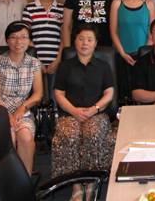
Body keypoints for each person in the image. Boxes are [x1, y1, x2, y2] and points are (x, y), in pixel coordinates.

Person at [52, 24, 114, 201]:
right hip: (70, 113)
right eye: (81, 39)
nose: (85, 43)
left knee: (93, 134)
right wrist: (73, 111)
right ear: (75, 42)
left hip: (96, 114)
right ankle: (76, 185)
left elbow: (109, 93)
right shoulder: (65, 66)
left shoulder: (103, 66)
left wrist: (95, 109)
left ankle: (92, 181)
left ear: (95, 43)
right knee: (69, 135)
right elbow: (58, 93)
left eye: (89, 40)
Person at [0, 20, 43, 174]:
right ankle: (5, 179)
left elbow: (38, 94)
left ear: (29, 40)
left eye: (24, 37)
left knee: (25, 137)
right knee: (9, 137)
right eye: (13, 37)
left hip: (23, 112)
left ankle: (24, 180)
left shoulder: (34, 63)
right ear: (7, 40)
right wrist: (7, 115)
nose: (19, 42)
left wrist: (22, 109)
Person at [110, 0, 155, 102]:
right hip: (122, 56)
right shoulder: (116, 4)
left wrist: (143, 55)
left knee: (143, 94)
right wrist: (123, 54)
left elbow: (153, 33)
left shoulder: (149, 4)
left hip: (144, 57)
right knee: (123, 94)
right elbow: (113, 31)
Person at [22, 0, 64, 102]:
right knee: (36, 100)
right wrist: (37, 61)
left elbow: (64, 37)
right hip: (35, 62)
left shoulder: (61, 8)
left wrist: (58, 60)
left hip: (56, 62)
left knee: (55, 100)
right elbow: (25, 37)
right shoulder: (29, 8)